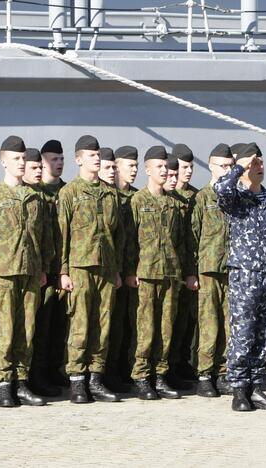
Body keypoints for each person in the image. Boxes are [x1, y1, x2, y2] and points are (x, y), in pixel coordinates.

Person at [0, 139, 53, 407]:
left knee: (27, 330)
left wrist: (44, 267)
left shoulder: (36, 197)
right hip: (4, 273)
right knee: (5, 330)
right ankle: (2, 384)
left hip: (31, 271)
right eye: (16, 158)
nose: (21, 163)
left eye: (23, 158)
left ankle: (21, 382)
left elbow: (45, 237)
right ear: (3, 161)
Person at [214, 142, 266, 412]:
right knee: (243, 333)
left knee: (264, 334)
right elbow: (219, 189)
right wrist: (239, 167)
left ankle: (256, 387)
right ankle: (239, 389)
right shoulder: (236, 198)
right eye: (253, 163)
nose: (259, 167)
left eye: (261, 162)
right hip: (244, 275)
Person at [124, 146, 197, 400]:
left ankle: (161, 374)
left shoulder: (176, 203)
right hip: (145, 274)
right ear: (147, 170)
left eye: (166, 167)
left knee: (166, 327)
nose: (164, 171)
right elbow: (129, 239)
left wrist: (185, 272)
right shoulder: (138, 201)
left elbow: (184, 242)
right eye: (159, 167)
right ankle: (142, 376)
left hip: (170, 274)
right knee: (145, 327)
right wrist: (130, 271)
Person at [58, 135, 125, 404]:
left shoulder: (111, 194)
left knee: (103, 324)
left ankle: (96, 378)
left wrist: (118, 269)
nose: (96, 158)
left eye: (98, 154)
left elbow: (118, 236)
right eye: (90, 154)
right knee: (81, 324)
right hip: (80, 267)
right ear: (79, 159)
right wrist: (63, 271)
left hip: (107, 268)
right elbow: (61, 235)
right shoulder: (70, 193)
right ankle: (77, 379)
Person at [191, 144, 234, 398]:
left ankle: (224, 372)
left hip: (232, 269)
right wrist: (193, 270)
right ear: (211, 166)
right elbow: (193, 236)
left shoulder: (236, 197)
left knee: (230, 324)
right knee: (209, 323)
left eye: (230, 166)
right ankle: (205, 374)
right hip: (208, 269)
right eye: (223, 166)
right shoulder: (203, 198)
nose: (227, 170)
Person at [105, 145, 140, 393]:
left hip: (135, 270)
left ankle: (125, 370)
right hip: (113, 271)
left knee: (130, 324)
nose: (134, 170)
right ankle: (109, 372)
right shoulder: (109, 198)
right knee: (112, 325)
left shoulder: (136, 198)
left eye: (137, 165)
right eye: (130, 165)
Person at [34, 140, 68, 392]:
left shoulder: (67, 192)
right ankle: (38, 373)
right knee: (40, 325)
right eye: (52, 159)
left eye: (60, 159)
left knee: (60, 325)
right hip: (42, 271)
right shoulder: (36, 193)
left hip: (63, 268)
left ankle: (55, 370)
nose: (58, 163)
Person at [167, 144, 200, 389]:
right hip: (167, 269)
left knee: (188, 320)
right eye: (182, 167)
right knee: (172, 321)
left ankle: (182, 362)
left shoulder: (196, 197)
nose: (186, 172)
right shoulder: (167, 198)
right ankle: (169, 365)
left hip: (190, 267)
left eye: (190, 167)